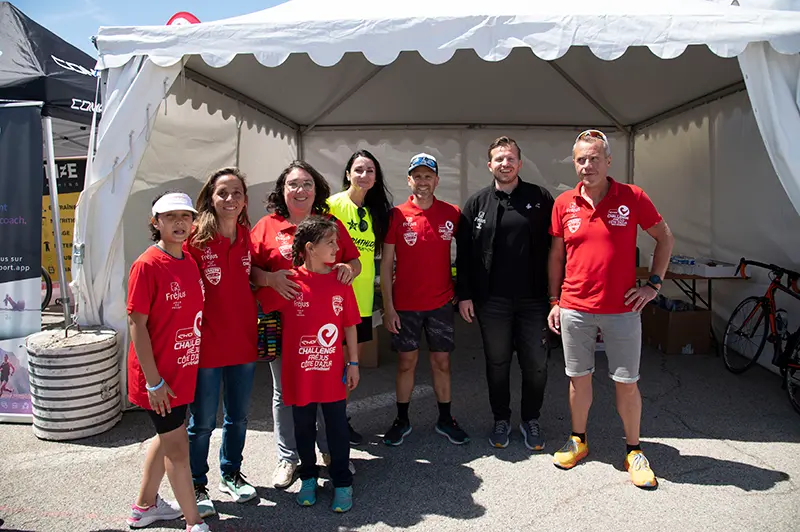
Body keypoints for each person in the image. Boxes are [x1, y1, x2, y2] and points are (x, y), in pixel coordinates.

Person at [547, 129, 674, 489]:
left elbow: (664, 237)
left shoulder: (632, 197)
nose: (587, 165)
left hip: (621, 309)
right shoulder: (563, 203)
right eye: (581, 159)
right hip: (574, 306)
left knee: (627, 383)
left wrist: (653, 285)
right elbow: (557, 256)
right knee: (578, 378)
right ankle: (579, 440)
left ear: (608, 161)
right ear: (575, 164)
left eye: (594, 158)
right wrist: (554, 301)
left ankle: (633, 450)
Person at [250, 161, 361, 489]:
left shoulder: (330, 224)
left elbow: (353, 260)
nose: (300, 191)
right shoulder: (266, 226)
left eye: (307, 184)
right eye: (293, 185)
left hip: (321, 321)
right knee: (285, 392)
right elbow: (250, 272)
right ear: (282, 190)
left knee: (328, 389)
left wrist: (346, 270)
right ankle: (289, 457)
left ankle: (329, 451)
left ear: (317, 190)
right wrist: (270, 278)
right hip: (281, 320)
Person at [456, 136, 554, 451]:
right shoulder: (476, 203)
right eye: (499, 159)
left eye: (510, 158)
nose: (505, 164)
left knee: (536, 363)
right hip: (492, 301)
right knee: (497, 363)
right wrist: (465, 295)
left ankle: (530, 419)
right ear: (490, 165)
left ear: (520, 163)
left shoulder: (540, 198)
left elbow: (558, 249)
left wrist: (557, 296)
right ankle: (501, 418)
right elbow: (466, 255)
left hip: (534, 300)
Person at [125, 191, 210, 532]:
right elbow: (136, 324)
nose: (179, 223)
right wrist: (154, 381)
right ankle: (193, 523)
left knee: (166, 437)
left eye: (185, 216)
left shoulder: (188, 260)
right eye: (170, 216)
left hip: (182, 372)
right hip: (158, 378)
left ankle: (144, 506)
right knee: (178, 449)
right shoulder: (147, 264)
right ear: (155, 221)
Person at [380, 153, 468, 446]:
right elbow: (387, 263)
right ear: (409, 180)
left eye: (428, 176)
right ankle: (401, 419)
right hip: (405, 306)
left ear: (436, 180)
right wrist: (388, 307)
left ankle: (446, 419)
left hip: (441, 304)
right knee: (406, 363)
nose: (422, 182)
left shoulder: (452, 213)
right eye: (417, 176)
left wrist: (464, 290)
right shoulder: (396, 215)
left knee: (441, 362)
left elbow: (469, 252)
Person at [184, 168, 258, 518]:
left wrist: (270, 278)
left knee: (238, 417)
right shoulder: (195, 236)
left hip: (243, 339)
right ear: (210, 198)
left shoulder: (245, 234)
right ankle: (196, 483)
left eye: (237, 193)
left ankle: (231, 472)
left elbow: (249, 274)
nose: (230, 200)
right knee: (202, 423)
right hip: (208, 344)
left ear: (244, 199)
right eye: (223, 193)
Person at [327, 150, 393, 446]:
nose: (364, 175)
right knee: (334, 363)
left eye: (370, 171)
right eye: (358, 170)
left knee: (348, 365)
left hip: (362, 300)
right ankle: (329, 423)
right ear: (347, 174)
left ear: (376, 177)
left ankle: (338, 418)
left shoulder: (374, 212)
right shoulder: (333, 205)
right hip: (332, 300)